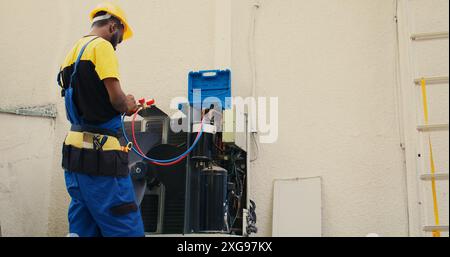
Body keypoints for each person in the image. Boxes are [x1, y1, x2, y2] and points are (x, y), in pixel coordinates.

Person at [57, 2, 144, 237]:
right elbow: (116, 101)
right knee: (124, 223)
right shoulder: (102, 47)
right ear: (114, 26)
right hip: (100, 155)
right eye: (120, 37)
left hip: (75, 151)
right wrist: (129, 103)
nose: (119, 43)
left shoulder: (73, 51)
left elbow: (86, 98)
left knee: (83, 226)